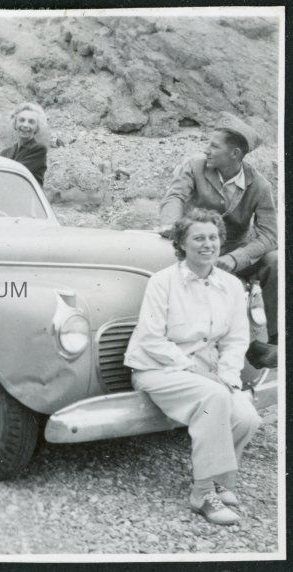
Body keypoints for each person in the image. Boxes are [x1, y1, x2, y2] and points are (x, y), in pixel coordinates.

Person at [124, 208, 261, 526]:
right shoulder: (162, 282)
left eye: (213, 237)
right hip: (157, 369)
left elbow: (236, 340)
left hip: (208, 373)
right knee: (215, 398)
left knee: (248, 417)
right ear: (182, 244)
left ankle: (220, 481)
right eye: (198, 238)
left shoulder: (231, 285)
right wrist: (199, 372)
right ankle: (202, 494)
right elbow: (150, 339)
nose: (207, 244)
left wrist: (227, 376)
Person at [158, 112, 278, 368]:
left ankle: (274, 341)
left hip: (233, 255)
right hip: (196, 249)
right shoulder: (195, 166)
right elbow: (175, 196)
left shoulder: (260, 186)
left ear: (235, 154)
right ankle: (239, 346)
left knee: (275, 261)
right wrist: (172, 225)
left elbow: (270, 235)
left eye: (214, 146)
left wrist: (236, 258)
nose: (207, 150)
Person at [0, 102, 49, 187]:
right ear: (15, 123)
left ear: (37, 127)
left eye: (31, 122)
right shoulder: (5, 152)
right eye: (22, 120)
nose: (25, 125)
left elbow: (15, 174)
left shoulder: (39, 150)